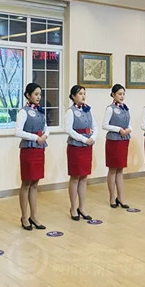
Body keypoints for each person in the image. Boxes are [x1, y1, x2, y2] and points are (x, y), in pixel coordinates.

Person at [15, 83, 49, 230]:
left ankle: (34, 216)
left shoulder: (41, 111)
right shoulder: (23, 112)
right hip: (28, 149)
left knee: (35, 183)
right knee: (26, 183)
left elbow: (46, 128)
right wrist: (35, 137)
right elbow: (18, 131)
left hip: (40, 148)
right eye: (36, 94)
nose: (38, 97)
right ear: (28, 95)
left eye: (40, 94)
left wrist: (45, 136)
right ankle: (24, 216)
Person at [65, 85, 97, 220]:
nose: (83, 96)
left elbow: (94, 126)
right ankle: (73, 207)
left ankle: (82, 207)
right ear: (73, 96)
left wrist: (93, 138)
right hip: (76, 147)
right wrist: (84, 139)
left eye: (84, 93)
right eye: (80, 94)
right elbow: (68, 129)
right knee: (75, 177)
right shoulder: (70, 111)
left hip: (87, 146)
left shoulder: (88, 110)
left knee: (84, 177)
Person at [102, 84, 132, 208]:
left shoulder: (126, 108)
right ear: (113, 95)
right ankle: (112, 197)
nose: (122, 96)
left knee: (120, 169)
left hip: (124, 140)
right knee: (113, 169)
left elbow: (130, 124)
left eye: (123, 94)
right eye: (119, 94)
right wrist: (118, 129)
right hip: (113, 141)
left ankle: (121, 197)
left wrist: (128, 130)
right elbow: (105, 125)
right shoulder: (110, 109)